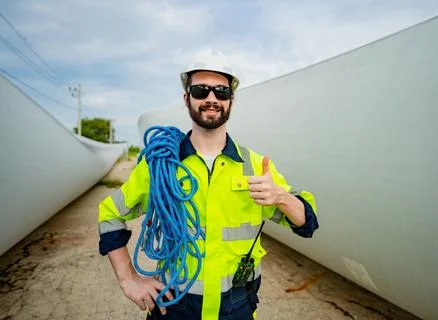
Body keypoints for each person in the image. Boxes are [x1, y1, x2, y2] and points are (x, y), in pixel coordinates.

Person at [98, 50, 319, 320]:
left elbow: (307, 223)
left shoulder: (255, 166)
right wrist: (128, 279)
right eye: (201, 90)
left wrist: (282, 197)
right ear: (186, 98)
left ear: (231, 100)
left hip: (236, 308)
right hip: (175, 307)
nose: (211, 98)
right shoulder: (162, 165)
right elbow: (110, 215)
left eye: (221, 92)